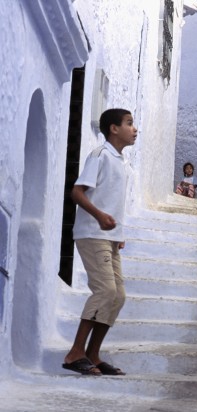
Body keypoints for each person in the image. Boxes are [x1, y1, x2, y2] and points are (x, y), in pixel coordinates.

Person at [62, 108, 137, 376]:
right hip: (92, 234)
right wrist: (99, 216)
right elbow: (77, 191)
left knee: (118, 296)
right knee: (105, 291)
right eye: (129, 123)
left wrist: (119, 234)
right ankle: (74, 353)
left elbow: (114, 201)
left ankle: (92, 354)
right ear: (113, 129)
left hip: (110, 238)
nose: (134, 129)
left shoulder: (122, 162)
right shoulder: (101, 155)